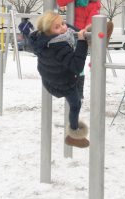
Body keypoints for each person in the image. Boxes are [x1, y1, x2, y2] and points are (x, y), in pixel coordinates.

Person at [30, 11, 90, 148]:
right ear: (49, 31)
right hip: (63, 83)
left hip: (51, 79)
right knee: (75, 105)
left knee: (78, 80)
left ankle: (79, 92)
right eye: (57, 27)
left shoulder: (42, 39)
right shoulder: (59, 46)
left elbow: (66, 27)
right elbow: (77, 66)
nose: (63, 28)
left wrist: (74, 30)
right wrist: (82, 42)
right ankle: (73, 134)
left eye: (62, 23)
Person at [56, 0, 101, 99]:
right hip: (70, 31)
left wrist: (84, 31)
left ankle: (78, 92)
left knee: (78, 63)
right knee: (68, 60)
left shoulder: (95, 2)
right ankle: (70, 89)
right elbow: (59, 1)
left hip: (81, 33)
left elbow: (91, 18)